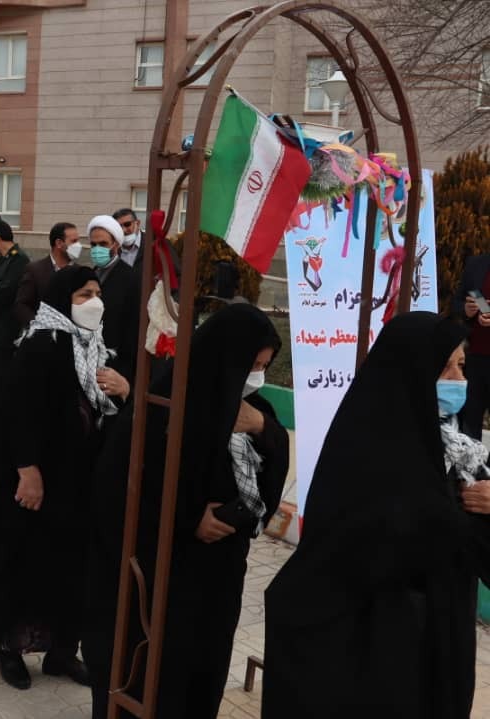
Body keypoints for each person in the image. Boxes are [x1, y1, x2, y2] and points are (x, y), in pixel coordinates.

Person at [263, 312, 490, 719]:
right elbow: (365, 547)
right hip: (374, 655)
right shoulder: (366, 449)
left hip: (441, 645)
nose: (460, 380)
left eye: (462, 366)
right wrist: (454, 522)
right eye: (446, 369)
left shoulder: (461, 454)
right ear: (413, 372)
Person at [84, 303, 288, 719]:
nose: (256, 377)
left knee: (200, 677)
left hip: (217, 582)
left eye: (264, 367)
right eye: (252, 365)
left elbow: (269, 481)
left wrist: (262, 428)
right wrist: (189, 518)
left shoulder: (253, 410)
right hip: (161, 576)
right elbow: (119, 487)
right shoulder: (164, 401)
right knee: (155, 679)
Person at [0, 266, 130, 691]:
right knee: (25, 563)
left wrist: (125, 390)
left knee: (71, 569)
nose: (94, 302)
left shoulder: (95, 346)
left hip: (78, 481)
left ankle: (61, 652)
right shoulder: (42, 345)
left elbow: (104, 411)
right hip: (40, 481)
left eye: (98, 293)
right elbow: (15, 414)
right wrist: (28, 471)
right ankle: (9, 649)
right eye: (84, 294)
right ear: (63, 299)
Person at [86, 215, 143, 380]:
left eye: (103, 244)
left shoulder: (131, 278)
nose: (97, 249)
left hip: (116, 366)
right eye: (93, 245)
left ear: (116, 245)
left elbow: (133, 330)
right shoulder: (89, 275)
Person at [0, 220, 30, 385]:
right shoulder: (2, 260)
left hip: (5, 329)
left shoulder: (19, 260)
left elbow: (5, 293)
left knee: (0, 376)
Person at [15, 222, 81, 327]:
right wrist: (37, 327)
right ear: (59, 243)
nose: (79, 245)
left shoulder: (80, 272)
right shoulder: (35, 270)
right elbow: (22, 305)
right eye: (74, 241)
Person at [452, 255, 490, 439]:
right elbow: (457, 302)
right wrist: (466, 310)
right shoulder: (477, 264)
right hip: (473, 359)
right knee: (469, 425)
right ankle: (469, 458)